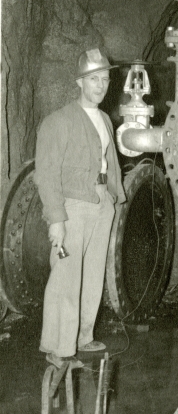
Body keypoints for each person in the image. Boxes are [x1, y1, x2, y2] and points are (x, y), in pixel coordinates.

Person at [35, 49, 126, 369]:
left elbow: (110, 163)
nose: (100, 85)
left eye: (105, 79)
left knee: (92, 276)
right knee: (66, 276)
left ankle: (83, 337)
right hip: (73, 207)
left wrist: (115, 198)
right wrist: (56, 221)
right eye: (93, 79)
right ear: (80, 82)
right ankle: (59, 349)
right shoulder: (58, 121)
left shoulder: (103, 119)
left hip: (101, 204)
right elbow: (45, 174)